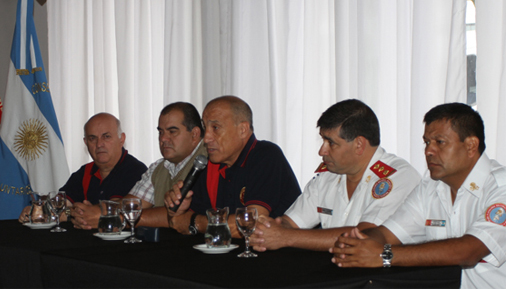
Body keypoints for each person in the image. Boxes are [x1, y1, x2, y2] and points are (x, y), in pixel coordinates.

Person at [331, 103, 506, 289]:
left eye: (440, 142)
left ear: (471, 146)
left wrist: (385, 255)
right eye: (427, 142)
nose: (428, 151)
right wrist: (358, 243)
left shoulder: (500, 187)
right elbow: (388, 233)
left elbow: (469, 250)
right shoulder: (430, 187)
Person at [249, 99, 420, 251]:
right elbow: (291, 222)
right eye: (322, 140)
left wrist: (285, 237)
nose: (321, 151)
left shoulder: (396, 177)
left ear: (359, 144)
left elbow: (364, 236)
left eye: (331, 143)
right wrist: (268, 230)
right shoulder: (327, 176)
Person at [164, 96, 301, 237]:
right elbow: (179, 222)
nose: (206, 138)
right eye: (205, 128)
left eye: (215, 128)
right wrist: (177, 211)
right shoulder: (211, 164)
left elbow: (252, 225)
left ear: (242, 129)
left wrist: (195, 223)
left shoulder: (266, 155)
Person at [71, 102, 206, 229]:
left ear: (194, 134)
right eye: (160, 132)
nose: (163, 139)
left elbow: (178, 214)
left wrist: (112, 218)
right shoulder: (159, 167)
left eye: (172, 131)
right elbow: (132, 203)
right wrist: (90, 213)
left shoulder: (208, 163)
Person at [18, 113, 147, 223]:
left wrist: (68, 212)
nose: (99, 144)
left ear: (121, 139)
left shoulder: (135, 170)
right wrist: (39, 210)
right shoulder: (85, 171)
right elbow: (60, 204)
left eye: (106, 137)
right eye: (92, 138)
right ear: (86, 143)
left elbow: (112, 209)